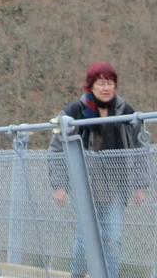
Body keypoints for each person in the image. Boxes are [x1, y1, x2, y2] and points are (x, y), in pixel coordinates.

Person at [49, 62, 148, 278]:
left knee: (112, 238)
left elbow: (141, 150)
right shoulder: (74, 112)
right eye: (100, 83)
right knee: (86, 238)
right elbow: (57, 150)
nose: (106, 88)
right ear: (90, 86)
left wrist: (141, 185)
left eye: (110, 83)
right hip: (84, 184)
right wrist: (59, 185)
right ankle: (78, 275)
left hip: (116, 187)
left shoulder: (127, 112)